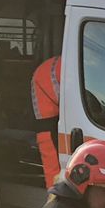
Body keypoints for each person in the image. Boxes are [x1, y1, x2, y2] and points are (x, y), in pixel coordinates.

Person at [30, 54, 63, 188]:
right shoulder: (65, 66)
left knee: (54, 180)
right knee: (55, 181)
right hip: (49, 127)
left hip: (47, 126)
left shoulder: (50, 67)